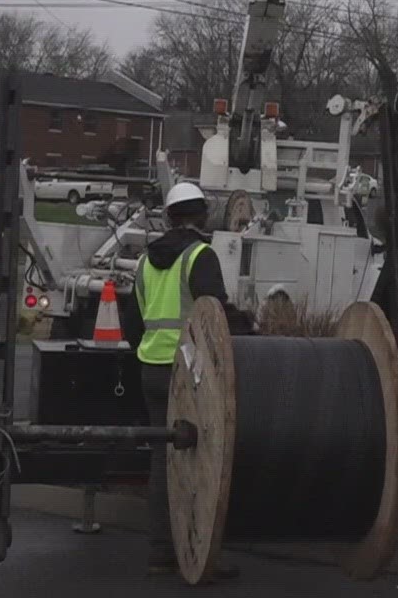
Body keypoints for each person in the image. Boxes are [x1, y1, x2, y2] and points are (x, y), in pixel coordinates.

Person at [137, 181, 246, 578]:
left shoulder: (144, 262)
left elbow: (137, 319)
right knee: (204, 462)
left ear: (168, 217)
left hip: (151, 367)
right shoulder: (201, 255)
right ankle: (199, 555)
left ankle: (160, 551)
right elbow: (212, 314)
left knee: (161, 459)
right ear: (202, 216)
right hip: (189, 373)